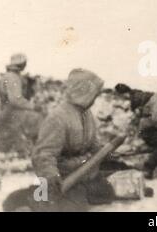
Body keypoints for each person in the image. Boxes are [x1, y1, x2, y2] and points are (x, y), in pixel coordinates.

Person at [31, 68, 116, 212]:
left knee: (107, 193)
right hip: (63, 175)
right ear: (84, 92)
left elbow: (93, 144)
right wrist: (52, 178)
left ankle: (81, 190)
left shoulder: (86, 114)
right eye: (94, 94)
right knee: (74, 207)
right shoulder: (58, 117)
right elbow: (44, 154)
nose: (95, 99)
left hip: (83, 171)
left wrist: (104, 152)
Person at [0, 53, 43, 155]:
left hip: (6, 111)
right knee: (39, 119)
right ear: (21, 64)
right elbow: (15, 100)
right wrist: (34, 107)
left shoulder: (10, 76)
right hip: (11, 112)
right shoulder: (13, 77)